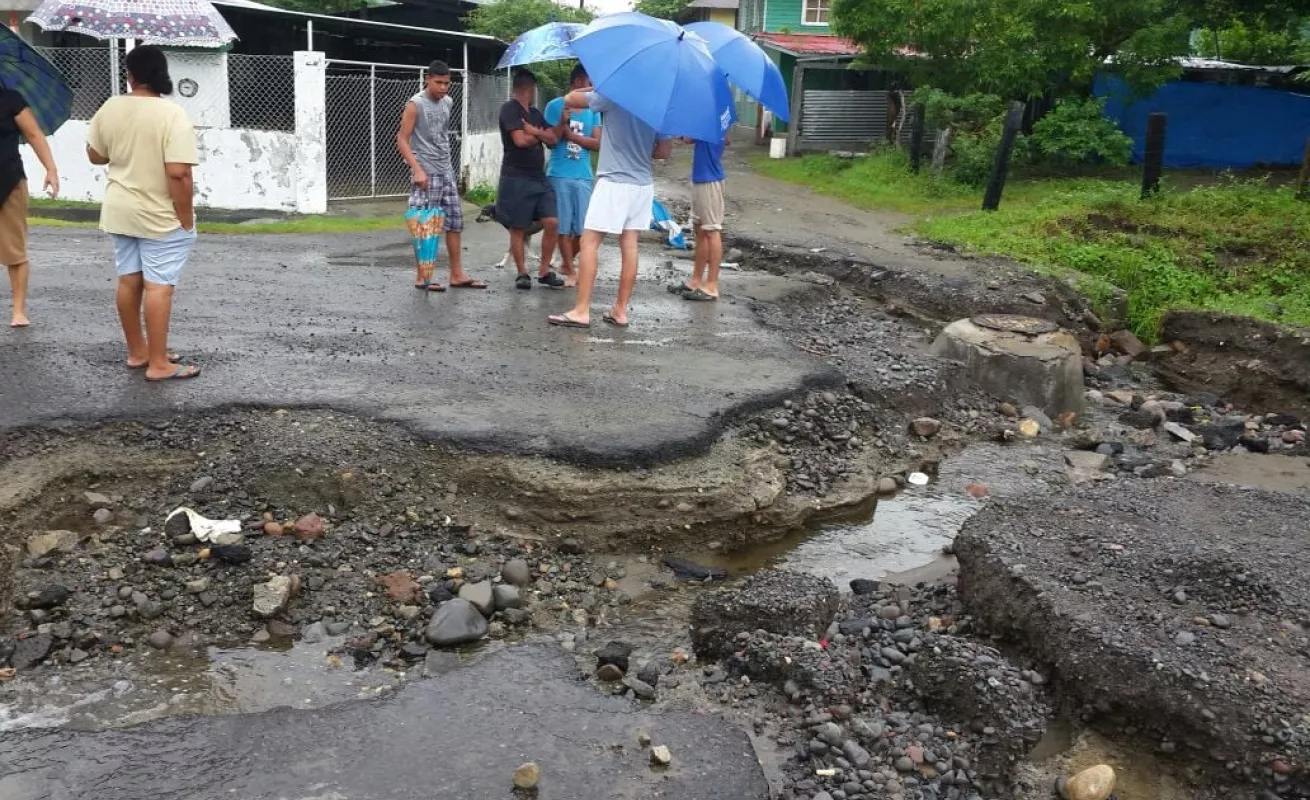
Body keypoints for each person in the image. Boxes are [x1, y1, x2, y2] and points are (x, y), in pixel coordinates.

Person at [86, 45, 200, 381]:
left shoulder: (110, 106)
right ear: (162, 75)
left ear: (131, 75)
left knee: (129, 280)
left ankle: (139, 353)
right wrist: (185, 216)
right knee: (159, 287)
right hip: (159, 215)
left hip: (120, 210)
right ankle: (159, 365)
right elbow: (178, 172)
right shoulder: (172, 114)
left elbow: (95, 156)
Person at [546, 90, 670, 329]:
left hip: (614, 182)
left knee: (589, 242)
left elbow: (570, 99)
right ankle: (620, 310)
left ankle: (582, 310)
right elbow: (663, 151)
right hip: (642, 185)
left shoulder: (615, 94)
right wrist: (640, 149)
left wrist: (596, 85)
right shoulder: (659, 104)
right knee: (630, 244)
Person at [396, 60, 483, 291]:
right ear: (428, 79)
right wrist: (418, 170)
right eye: (438, 83)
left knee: (454, 222)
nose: (443, 87)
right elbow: (402, 139)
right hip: (426, 171)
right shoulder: (416, 104)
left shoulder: (448, 102)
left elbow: (440, 135)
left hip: (446, 170)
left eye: (447, 83)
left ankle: (457, 274)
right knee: (425, 223)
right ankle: (422, 276)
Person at [497, 69, 563, 290]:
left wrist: (534, 130)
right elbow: (520, 140)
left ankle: (544, 271)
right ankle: (522, 272)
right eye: (535, 89)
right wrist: (538, 134)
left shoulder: (534, 114)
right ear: (529, 88)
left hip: (538, 177)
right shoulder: (509, 109)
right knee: (518, 226)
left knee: (552, 221)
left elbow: (553, 139)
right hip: (516, 177)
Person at [0, 85, 58, 328]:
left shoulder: (10, 99)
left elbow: (34, 134)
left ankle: (19, 311)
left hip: (8, 182)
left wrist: (51, 169)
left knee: (15, 249)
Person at [542, 65, 601, 288]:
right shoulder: (554, 106)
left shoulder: (593, 110)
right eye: (589, 81)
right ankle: (570, 269)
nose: (592, 87)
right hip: (559, 173)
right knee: (563, 227)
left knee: (584, 230)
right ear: (578, 82)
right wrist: (561, 125)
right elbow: (550, 140)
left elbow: (598, 143)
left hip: (584, 175)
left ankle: (568, 263)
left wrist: (571, 136)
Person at [676, 133, 728, 302]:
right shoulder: (712, 117)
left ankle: (711, 285)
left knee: (712, 230)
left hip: (710, 180)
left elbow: (688, 139)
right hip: (700, 177)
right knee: (700, 229)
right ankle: (696, 281)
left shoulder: (711, 119)